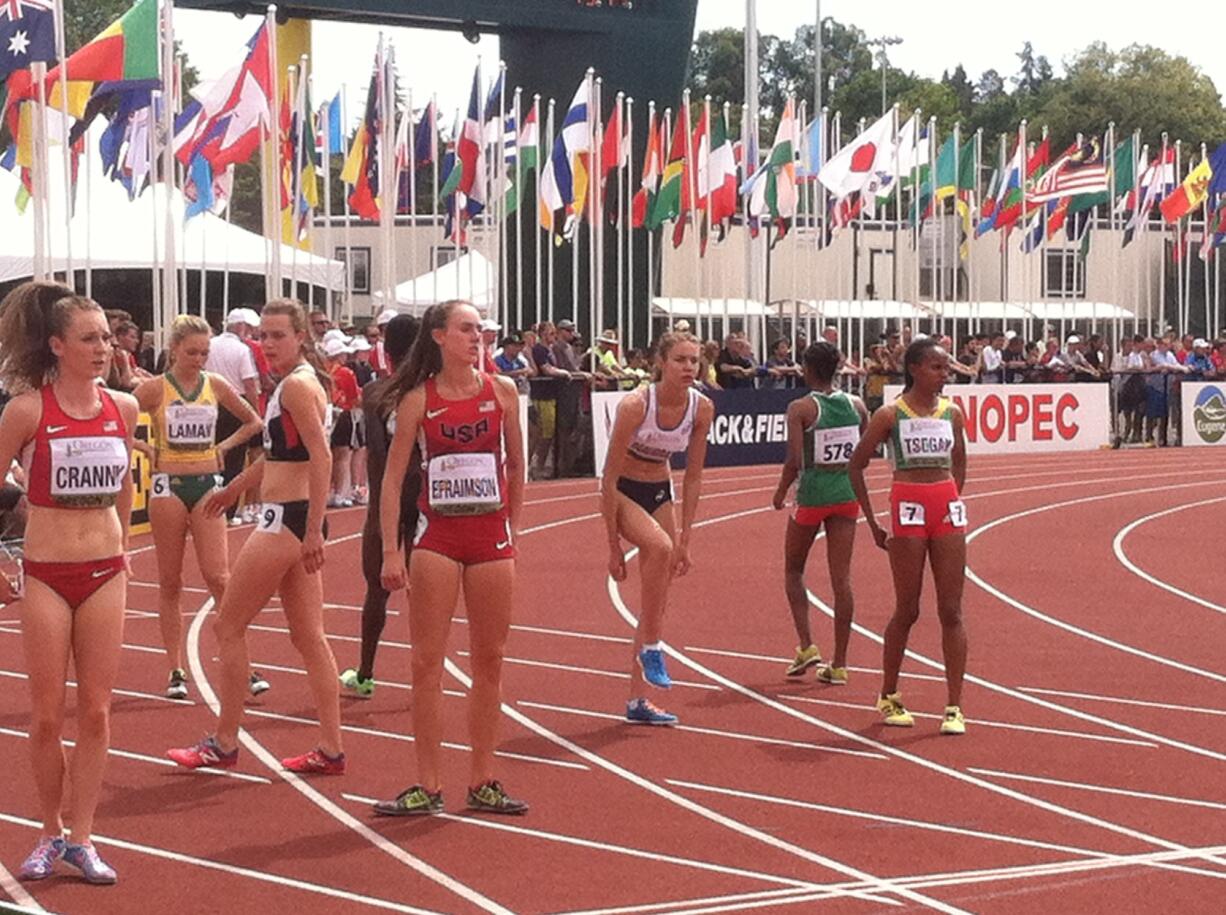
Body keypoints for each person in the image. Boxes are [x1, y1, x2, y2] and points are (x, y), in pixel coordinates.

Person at [168, 299, 344, 775]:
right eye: (262, 336)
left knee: (228, 626)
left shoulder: (298, 387)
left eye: (277, 335)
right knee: (309, 636)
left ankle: (224, 742)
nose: (266, 344)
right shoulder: (293, 384)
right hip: (289, 516)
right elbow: (278, 456)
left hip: (287, 520)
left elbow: (322, 457)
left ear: (301, 337)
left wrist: (312, 532)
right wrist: (234, 489)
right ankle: (330, 748)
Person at [0, 281, 138, 884]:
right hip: (49, 572)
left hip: (107, 571)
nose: (103, 347)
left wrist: (126, 546)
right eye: (89, 338)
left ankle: (83, 838)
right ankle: (49, 831)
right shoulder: (28, 410)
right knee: (48, 716)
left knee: (98, 712)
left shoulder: (123, 407)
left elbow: (126, 480)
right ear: (56, 345)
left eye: (106, 336)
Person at [374, 300, 527, 816]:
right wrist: (392, 551)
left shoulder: (501, 392)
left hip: (490, 540)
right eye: (466, 329)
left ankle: (484, 779)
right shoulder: (419, 399)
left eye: (480, 330)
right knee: (425, 663)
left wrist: (514, 529)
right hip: (436, 538)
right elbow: (393, 480)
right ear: (438, 336)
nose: (476, 337)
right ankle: (428, 783)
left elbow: (518, 468)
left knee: (491, 661)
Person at [133, 315, 265, 700]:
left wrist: (222, 448)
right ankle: (176, 668)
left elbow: (253, 422)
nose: (199, 358)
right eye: (191, 352)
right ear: (174, 349)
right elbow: (116, 420)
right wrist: (146, 449)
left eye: (204, 352)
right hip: (167, 487)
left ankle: (242, 663)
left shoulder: (216, 384)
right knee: (170, 581)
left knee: (219, 578)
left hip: (207, 483)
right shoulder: (156, 389)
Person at [848, 337, 969, 736]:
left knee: (951, 610)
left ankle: (954, 705)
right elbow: (856, 466)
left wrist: (951, 500)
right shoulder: (889, 415)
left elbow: (959, 462)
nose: (944, 374)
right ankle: (889, 693)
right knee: (908, 608)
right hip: (907, 507)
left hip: (945, 508)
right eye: (936, 367)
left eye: (946, 368)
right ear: (915, 368)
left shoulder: (953, 413)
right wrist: (872, 521)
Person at [601, 332, 714, 726]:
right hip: (623, 492)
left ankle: (637, 699)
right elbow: (608, 477)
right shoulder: (636, 405)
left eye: (694, 361)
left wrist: (688, 538)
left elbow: (694, 477)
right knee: (659, 547)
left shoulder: (702, 408)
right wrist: (612, 547)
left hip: (659, 490)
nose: (689, 368)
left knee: (657, 601)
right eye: (681, 360)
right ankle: (652, 647)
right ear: (661, 363)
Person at [772, 342, 868, 684]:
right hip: (846, 494)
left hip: (812, 495)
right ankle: (839, 663)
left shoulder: (800, 408)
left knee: (793, 568)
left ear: (807, 370)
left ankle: (807, 645)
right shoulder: (856, 405)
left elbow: (795, 461)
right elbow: (866, 450)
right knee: (842, 580)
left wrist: (781, 492)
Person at [339, 315, 420, 699]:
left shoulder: (374, 393)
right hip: (426, 500)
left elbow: (376, 452)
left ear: (386, 351)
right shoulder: (432, 390)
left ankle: (367, 672)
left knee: (377, 589)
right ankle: (426, 673)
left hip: (387, 499)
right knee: (426, 592)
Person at [206, 310, 261, 524]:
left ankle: (207, 505)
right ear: (241, 327)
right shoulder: (241, 349)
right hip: (236, 405)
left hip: (209, 402)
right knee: (234, 460)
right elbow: (249, 384)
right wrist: (254, 415)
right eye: (250, 328)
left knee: (210, 456)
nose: (251, 333)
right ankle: (227, 512)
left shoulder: (210, 345)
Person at [324, 336, 361, 507]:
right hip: (342, 413)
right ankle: (339, 492)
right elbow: (354, 398)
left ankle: (328, 491)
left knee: (327, 455)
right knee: (343, 456)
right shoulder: (345, 373)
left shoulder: (321, 370)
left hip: (324, 413)